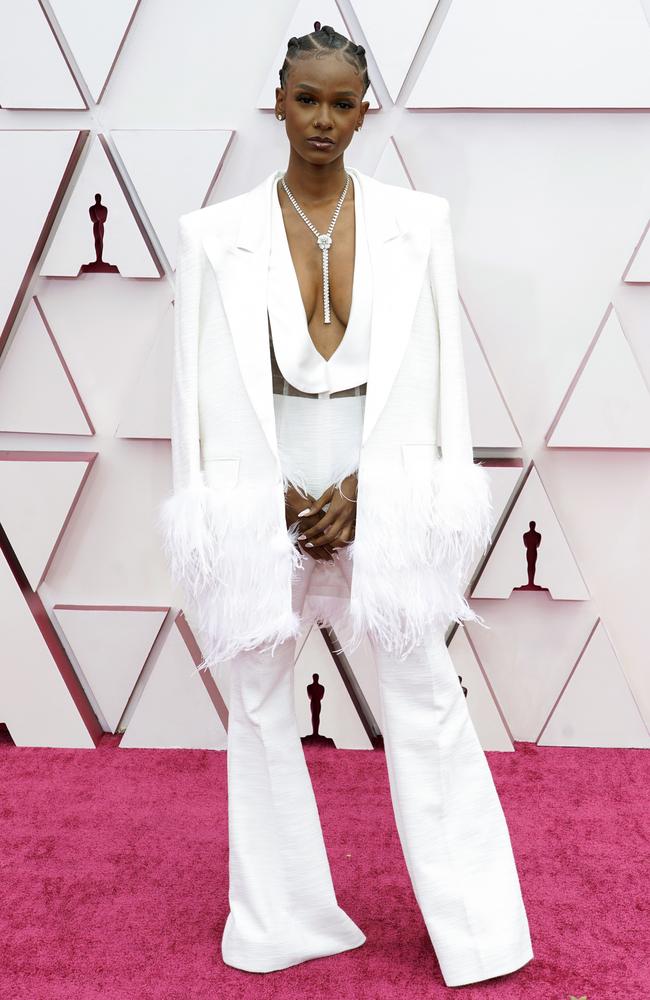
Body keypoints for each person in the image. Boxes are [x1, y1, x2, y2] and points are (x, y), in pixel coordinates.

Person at [158, 21, 534, 989]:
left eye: (341, 102)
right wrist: (244, 498)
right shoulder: (214, 235)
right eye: (306, 98)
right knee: (255, 701)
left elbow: (440, 376)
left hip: (386, 479)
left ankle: (481, 931)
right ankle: (281, 919)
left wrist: (386, 489)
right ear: (276, 100)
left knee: (425, 696)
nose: (322, 118)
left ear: (365, 111)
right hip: (265, 481)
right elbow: (195, 392)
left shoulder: (420, 223)